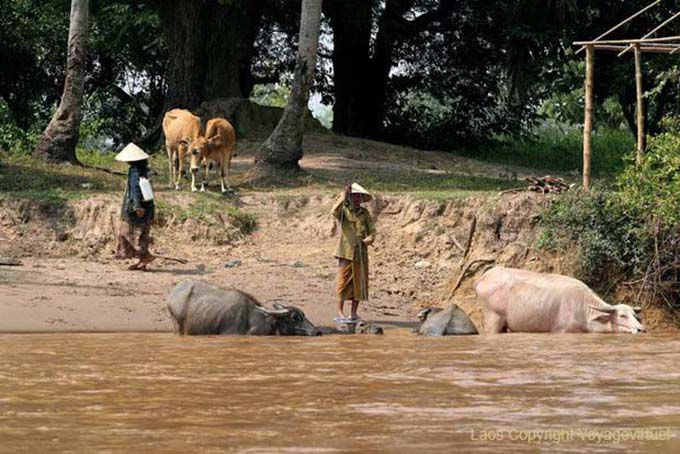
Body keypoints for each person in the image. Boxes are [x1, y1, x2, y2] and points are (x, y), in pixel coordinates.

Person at [331, 183, 376, 321]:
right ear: (350, 197)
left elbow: (372, 231)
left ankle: (354, 313)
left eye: (358, 197)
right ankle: (340, 313)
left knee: (359, 284)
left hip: (360, 253)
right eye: (354, 196)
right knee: (343, 283)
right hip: (345, 252)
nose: (356, 199)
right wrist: (343, 194)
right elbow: (334, 211)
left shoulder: (364, 213)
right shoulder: (344, 210)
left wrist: (369, 239)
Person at [115, 143, 156, 271]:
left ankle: (145, 256)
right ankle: (142, 261)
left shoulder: (134, 171)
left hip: (137, 209)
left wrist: (137, 206)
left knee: (127, 233)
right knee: (143, 234)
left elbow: (136, 190)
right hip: (148, 207)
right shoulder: (145, 169)